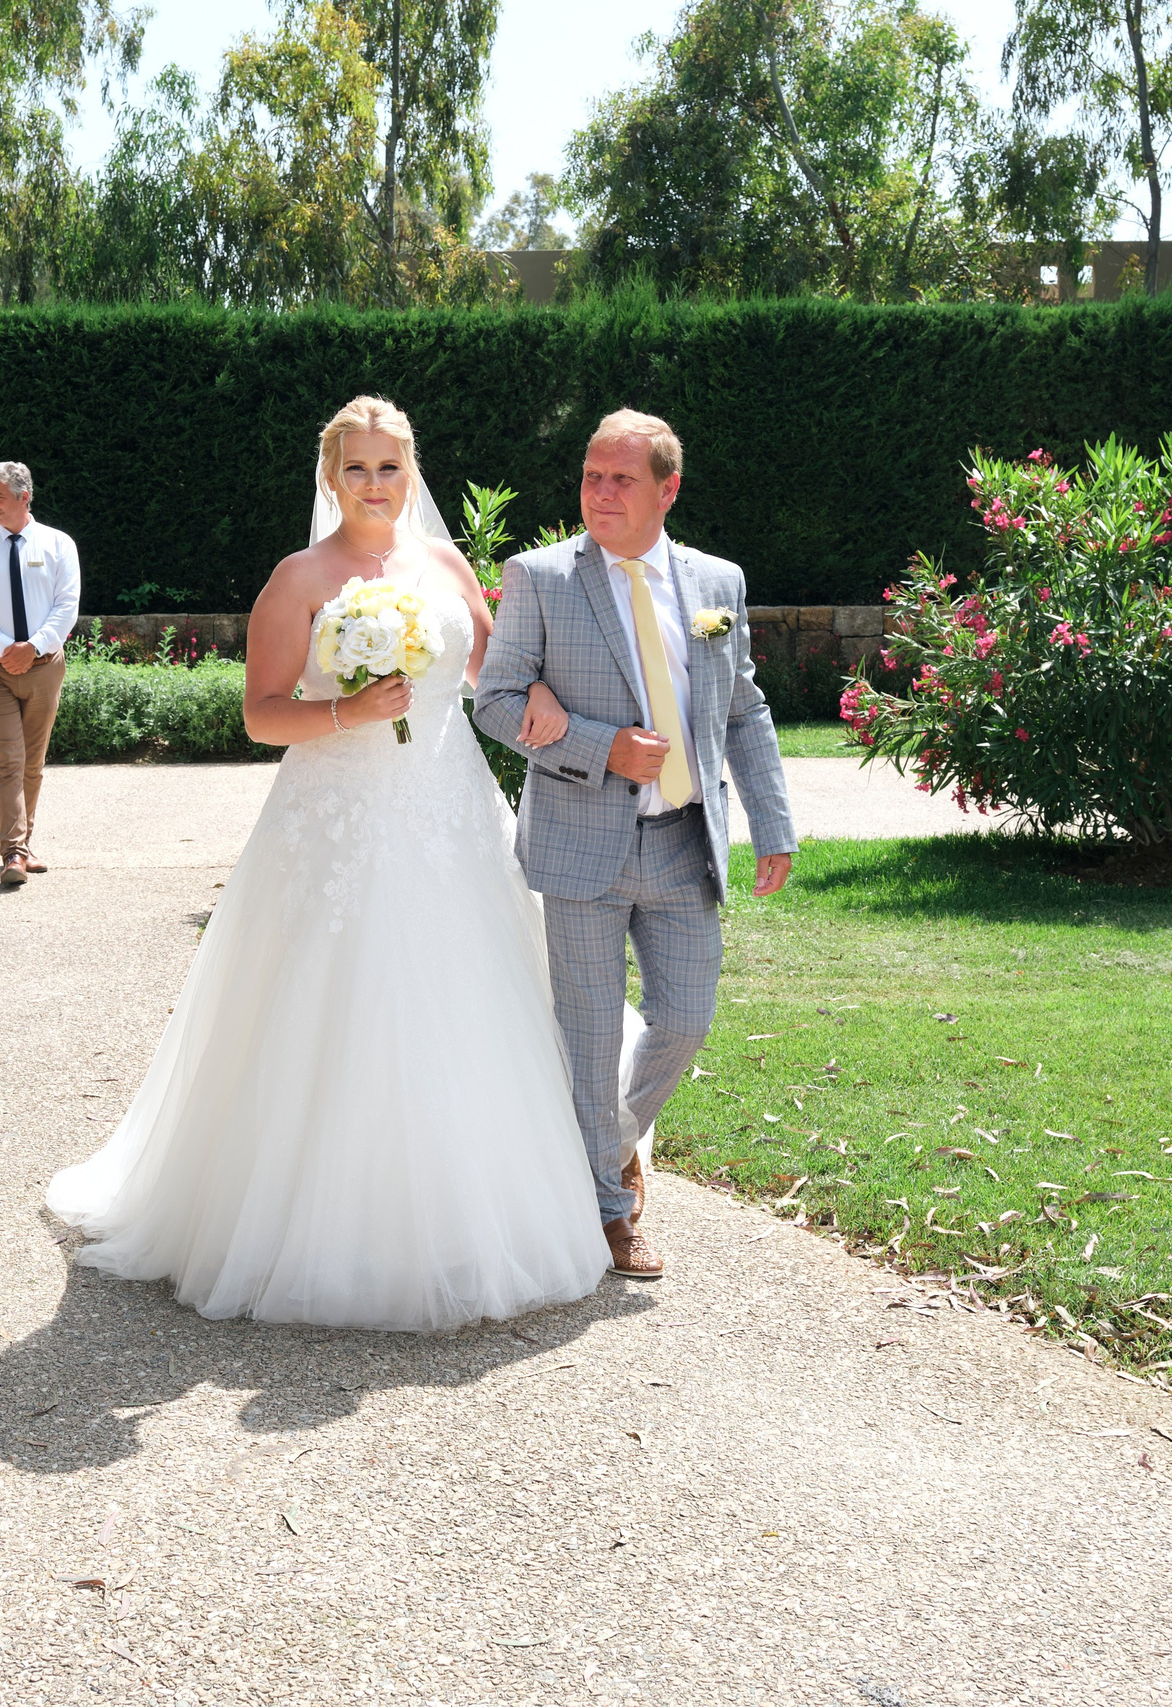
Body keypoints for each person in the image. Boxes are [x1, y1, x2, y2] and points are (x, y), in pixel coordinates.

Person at [45, 398, 608, 1332]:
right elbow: (262, 712)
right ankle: (319, 1231)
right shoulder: (299, 577)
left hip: (450, 808)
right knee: (329, 1002)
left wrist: (552, 700)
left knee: (470, 996)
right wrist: (349, 709)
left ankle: (481, 1211)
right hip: (335, 817)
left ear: (413, 472)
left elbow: (491, 672)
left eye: (390, 468)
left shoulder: (447, 564)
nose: (375, 485)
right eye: (357, 468)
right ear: (329, 475)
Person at [474, 408, 797, 1281]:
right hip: (582, 842)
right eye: (591, 475)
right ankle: (612, 1213)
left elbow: (744, 708)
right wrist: (597, 744)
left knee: (687, 1019)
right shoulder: (539, 577)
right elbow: (496, 702)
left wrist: (773, 822)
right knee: (586, 1030)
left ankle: (606, 1142)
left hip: (684, 840)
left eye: (621, 479)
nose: (601, 492)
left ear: (668, 489)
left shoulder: (716, 583)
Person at [0, 461, 81, 884]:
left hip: (44, 666)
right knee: (6, 760)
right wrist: (5, 650)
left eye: (0, 497)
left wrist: (34, 647)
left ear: (25, 497)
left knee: (32, 762)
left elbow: (67, 605)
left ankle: (24, 844)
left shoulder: (59, 544)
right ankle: (13, 852)